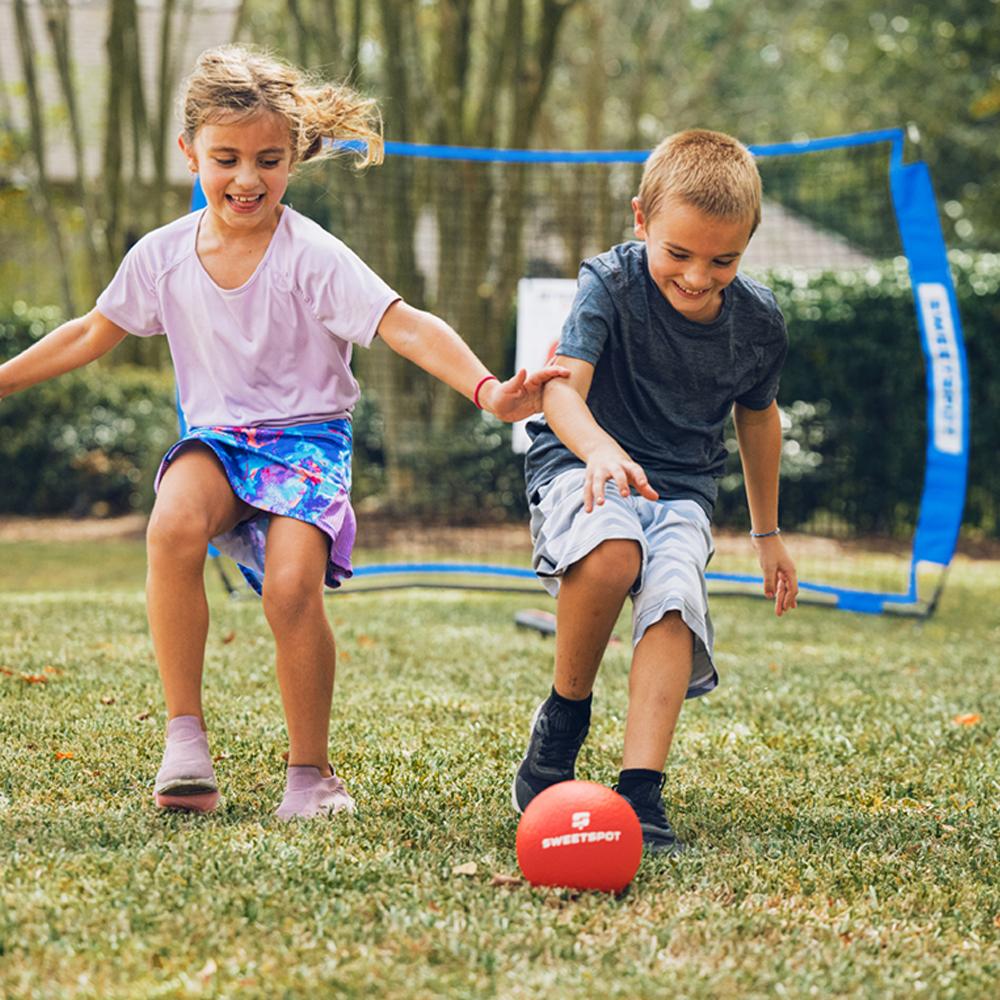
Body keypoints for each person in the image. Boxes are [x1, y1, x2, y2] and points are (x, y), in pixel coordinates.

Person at [0, 45, 567, 820]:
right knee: (171, 523)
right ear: (189, 152)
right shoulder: (160, 258)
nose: (246, 178)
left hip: (306, 442)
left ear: (295, 158)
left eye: (269, 160)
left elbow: (405, 326)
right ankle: (185, 742)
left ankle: (310, 776)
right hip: (218, 442)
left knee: (294, 589)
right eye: (226, 157)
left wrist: (488, 390)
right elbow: (89, 332)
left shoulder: (313, 256)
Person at [512, 129, 799, 853]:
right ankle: (564, 719)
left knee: (673, 602)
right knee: (613, 551)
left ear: (747, 245)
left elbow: (758, 420)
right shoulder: (609, 282)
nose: (699, 277)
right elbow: (560, 394)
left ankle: (640, 790)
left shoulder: (758, 323)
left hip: (680, 488)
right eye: (679, 253)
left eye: (722, 259)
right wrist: (602, 448)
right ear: (642, 221)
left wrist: (768, 536)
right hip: (580, 461)